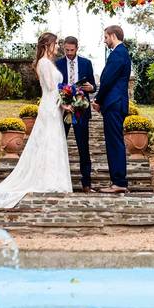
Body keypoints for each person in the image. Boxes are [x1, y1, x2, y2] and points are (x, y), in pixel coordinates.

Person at [0, 32, 72, 208]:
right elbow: (52, 89)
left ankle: (52, 179)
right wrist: (65, 104)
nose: (58, 47)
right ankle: (48, 181)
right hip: (50, 107)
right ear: (47, 45)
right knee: (48, 141)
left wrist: (64, 103)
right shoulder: (44, 63)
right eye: (55, 44)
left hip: (53, 106)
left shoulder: (47, 63)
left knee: (51, 142)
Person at [93, 25, 131, 194]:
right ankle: (118, 181)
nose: (104, 40)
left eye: (106, 37)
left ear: (113, 36)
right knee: (114, 142)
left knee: (114, 143)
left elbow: (107, 80)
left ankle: (119, 182)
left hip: (114, 103)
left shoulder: (117, 54)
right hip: (117, 103)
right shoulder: (122, 53)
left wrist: (98, 99)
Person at [56, 36, 96, 193]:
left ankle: (86, 184)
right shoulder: (57, 64)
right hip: (63, 110)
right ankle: (58, 182)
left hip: (81, 111)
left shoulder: (86, 63)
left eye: (72, 50)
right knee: (59, 146)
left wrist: (90, 88)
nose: (69, 53)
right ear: (63, 48)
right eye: (67, 50)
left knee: (83, 147)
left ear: (77, 48)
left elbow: (93, 86)